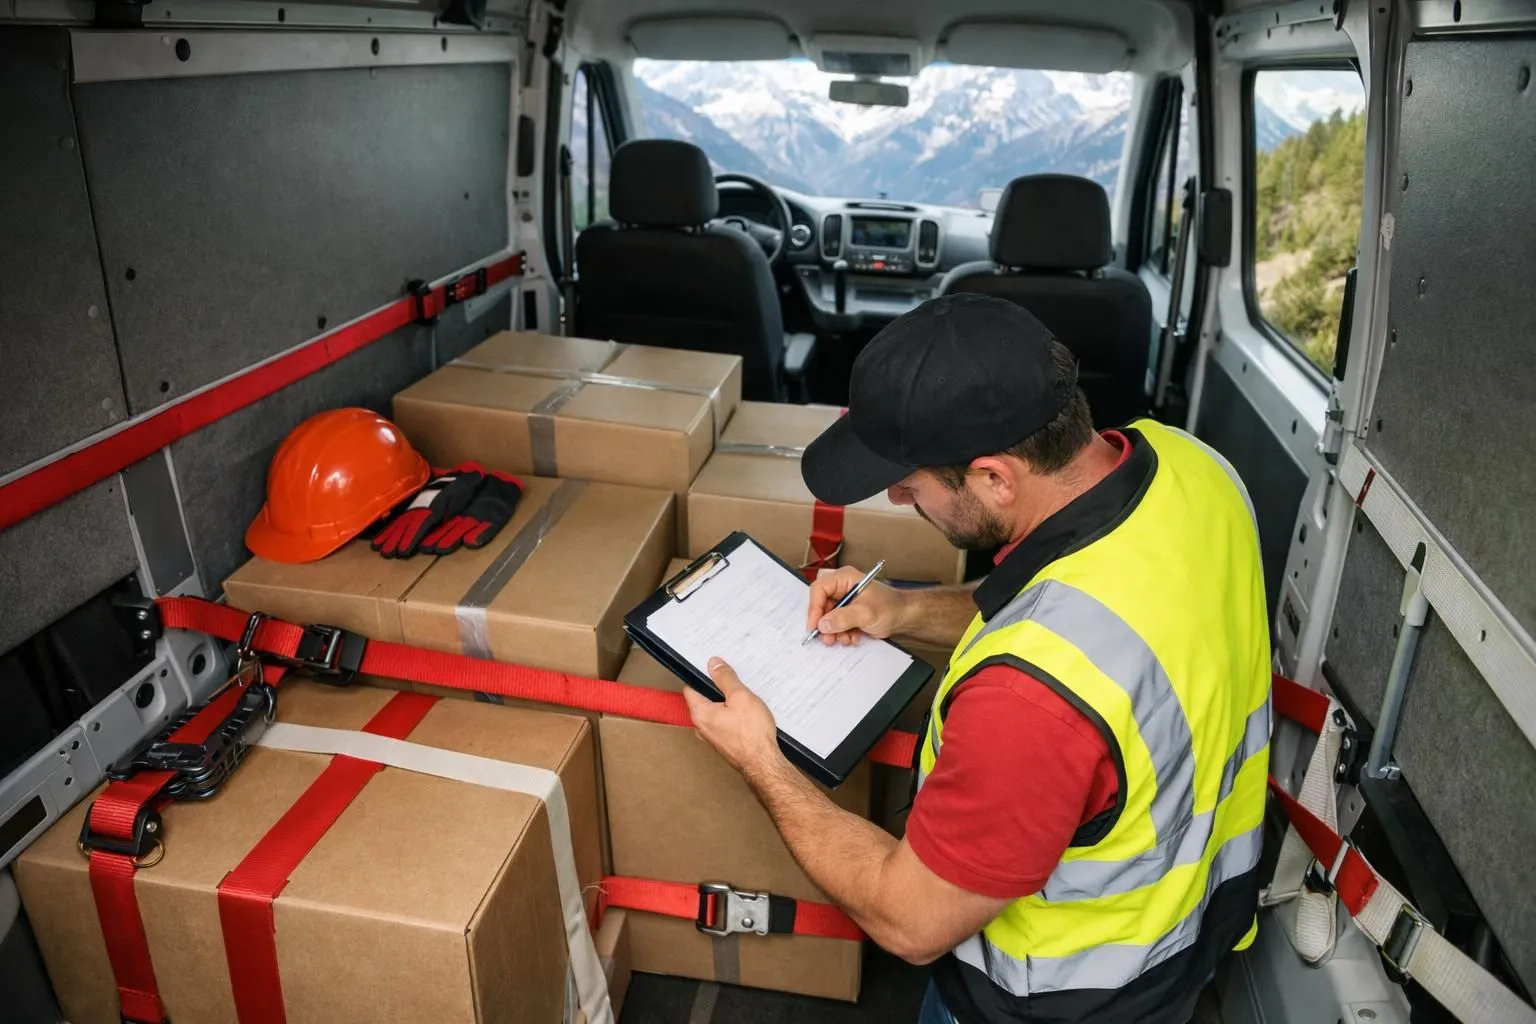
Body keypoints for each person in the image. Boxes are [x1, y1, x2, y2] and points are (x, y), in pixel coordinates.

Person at [682, 293, 1272, 1024]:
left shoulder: (1031, 701)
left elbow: (911, 922)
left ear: (996, 477)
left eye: (911, 480)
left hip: (1059, 999)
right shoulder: (1193, 467)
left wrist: (760, 760)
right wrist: (901, 608)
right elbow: (1085, 606)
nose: (896, 498)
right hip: (1191, 925)